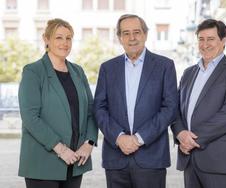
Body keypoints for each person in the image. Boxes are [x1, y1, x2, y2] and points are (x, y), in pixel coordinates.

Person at [94, 14, 178, 188]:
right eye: (126, 33)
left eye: (136, 32)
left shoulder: (165, 66)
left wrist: (139, 138)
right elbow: (100, 108)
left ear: (145, 34)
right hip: (116, 159)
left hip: (151, 158)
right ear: (119, 38)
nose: (132, 38)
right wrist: (119, 137)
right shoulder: (107, 68)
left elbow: (170, 108)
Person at [18, 18, 98, 188]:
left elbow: (92, 110)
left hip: (76, 161)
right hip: (43, 164)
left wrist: (89, 142)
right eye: (58, 37)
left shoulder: (78, 71)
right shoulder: (33, 72)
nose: (65, 43)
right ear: (46, 40)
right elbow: (30, 117)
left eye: (68, 38)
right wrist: (61, 149)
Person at [171, 19, 226, 188]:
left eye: (211, 39)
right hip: (190, 161)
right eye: (201, 39)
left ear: (223, 41)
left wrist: (191, 139)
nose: (205, 44)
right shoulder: (188, 73)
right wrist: (180, 134)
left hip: (220, 161)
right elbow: (175, 109)